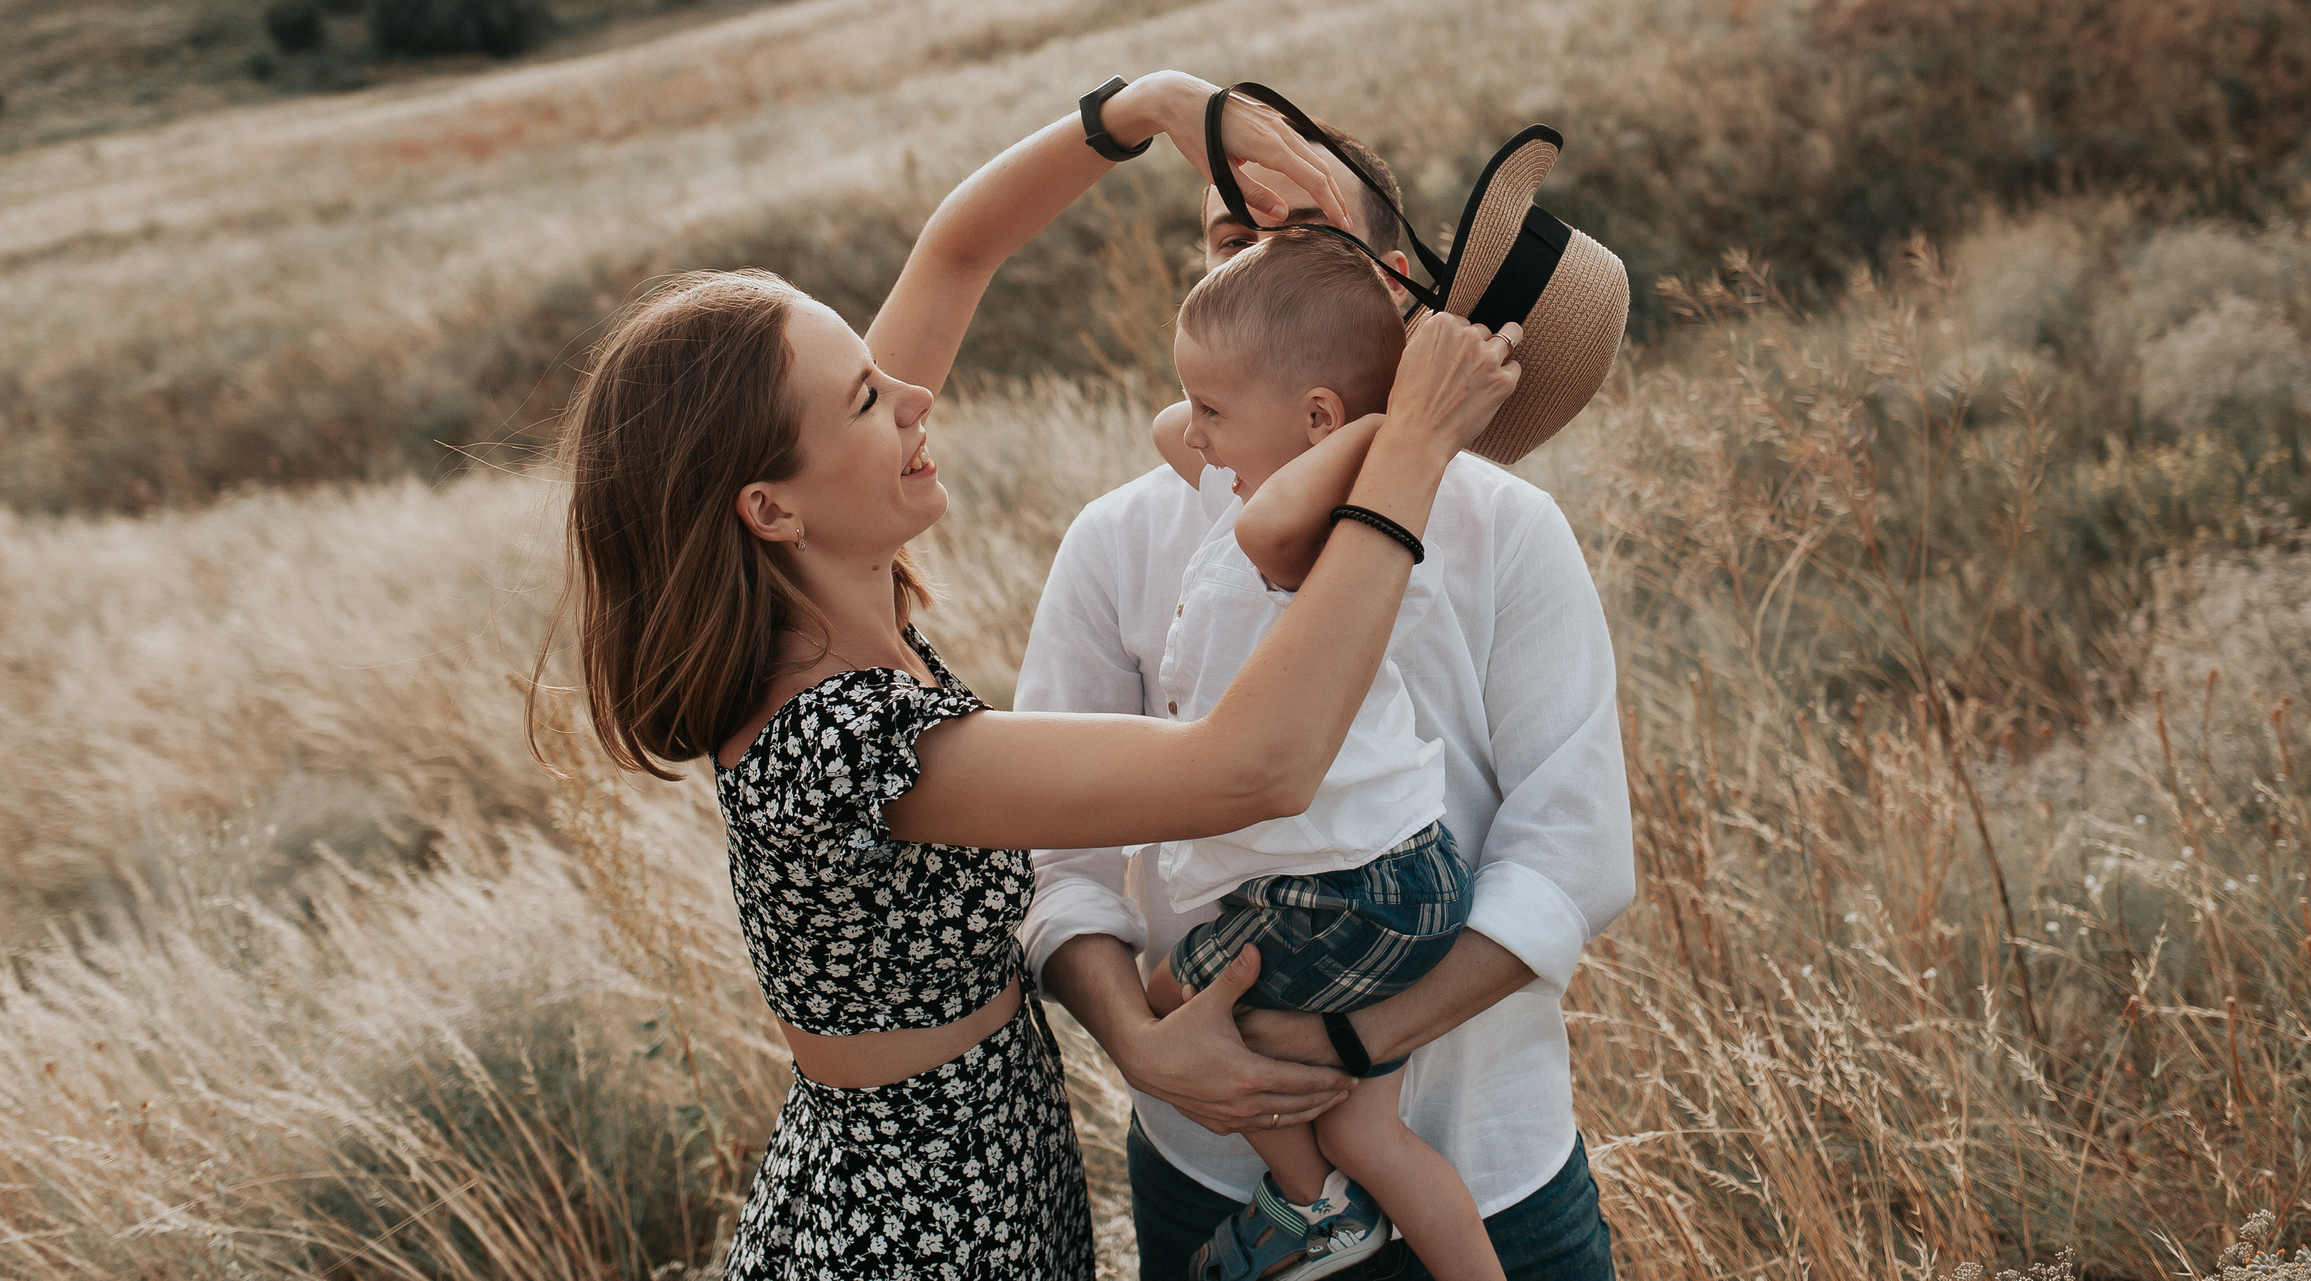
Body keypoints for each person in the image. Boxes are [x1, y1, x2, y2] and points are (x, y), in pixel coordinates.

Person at [531, 69, 1527, 1281]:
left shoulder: (817, 600)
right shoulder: (841, 740)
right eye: (864, 399)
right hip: (918, 1243)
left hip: (957, 1193)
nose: (912, 397)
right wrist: (1410, 450)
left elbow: (957, 252)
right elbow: (1254, 767)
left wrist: (1157, 107)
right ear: (770, 508)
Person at [1021, 121, 1635, 1281]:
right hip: (1210, 1170)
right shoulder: (1120, 540)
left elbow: (1575, 856)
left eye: (1301, 230)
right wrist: (1148, 1051)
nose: (1255, 257)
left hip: (1494, 1169)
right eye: (1226, 233)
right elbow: (1064, 869)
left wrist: (1350, 1042)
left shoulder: (1506, 528)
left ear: (1383, 278)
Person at [1141, 228, 1501, 1281]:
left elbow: (1272, 523)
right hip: (1376, 877)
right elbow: (1174, 425)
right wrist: (1235, 404)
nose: (1195, 436)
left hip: (1358, 891)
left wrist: (1394, 428)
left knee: (1171, 987)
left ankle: (1312, 1207)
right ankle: (1350, 1197)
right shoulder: (1258, 494)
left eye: (1217, 412)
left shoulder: (1331, 535)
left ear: (1316, 421)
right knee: (1368, 1131)